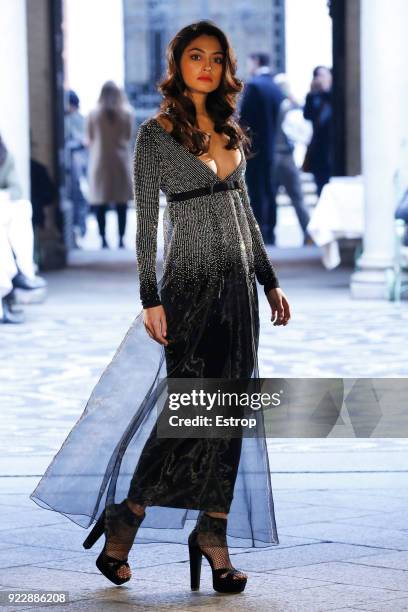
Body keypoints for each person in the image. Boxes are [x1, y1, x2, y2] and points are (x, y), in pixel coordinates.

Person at [30, 21, 291, 594]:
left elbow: (245, 214)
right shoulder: (157, 135)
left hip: (238, 297)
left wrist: (268, 280)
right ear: (178, 66)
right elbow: (147, 224)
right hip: (189, 287)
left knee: (229, 414)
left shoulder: (230, 131)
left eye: (216, 58)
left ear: (226, 69)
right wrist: (150, 297)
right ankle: (129, 515)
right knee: (185, 413)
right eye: (195, 56)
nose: (206, 66)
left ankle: (213, 533)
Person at [0, 133, 46, 324]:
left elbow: (16, 189)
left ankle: (20, 271)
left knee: (22, 208)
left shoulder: (4, 157)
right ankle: (17, 273)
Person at [239, 52, 284, 244]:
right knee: (269, 189)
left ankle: (260, 231)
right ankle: (270, 230)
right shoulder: (275, 86)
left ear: (255, 62)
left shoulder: (255, 86)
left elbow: (245, 120)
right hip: (272, 146)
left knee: (256, 190)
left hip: (255, 147)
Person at [86, 81, 135, 249]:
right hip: (120, 161)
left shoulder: (93, 113)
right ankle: (121, 239)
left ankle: (103, 239)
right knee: (121, 202)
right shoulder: (127, 113)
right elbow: (129, 137)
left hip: (100, 161)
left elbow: (89, 138)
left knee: (101, 201)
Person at [273, 74, 312, 245]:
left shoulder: (277, 106)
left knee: (271, 198)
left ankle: (267, 236)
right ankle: (309, 234)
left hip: (275, 155)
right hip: (286, 156)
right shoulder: (290, 106)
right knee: (297, 198)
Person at [303, 66, 333, 197]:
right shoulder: (313, 97)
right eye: (317, 76)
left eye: (323, 75)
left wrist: (326, 90)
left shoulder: (334, 94)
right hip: (319, 149)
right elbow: (307, 115)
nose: (320, 79)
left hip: (333, 148)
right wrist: (311, 93)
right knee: (320, 185)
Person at [64, 90, 88, 242]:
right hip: (77, 165)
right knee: (78, 198)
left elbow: (81, 141)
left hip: (76, 165)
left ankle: (79, 229)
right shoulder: (77, 119)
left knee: (77, 197)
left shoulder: (75, 119)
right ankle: (79, 230)